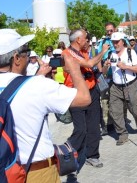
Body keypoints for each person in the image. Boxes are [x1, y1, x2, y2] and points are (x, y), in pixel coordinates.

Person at [0, 29, 91, 182]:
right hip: (35, 172)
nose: (29, 58)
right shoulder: (37, 86)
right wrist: (74, 68)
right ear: (16, 58)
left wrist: (38, 77)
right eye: (27, 52)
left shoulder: (35, 83)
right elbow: (84, 98)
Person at [63, 29, 110, 169]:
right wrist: (103, 52)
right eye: (85, 39)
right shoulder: (68, 53)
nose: (87, 41)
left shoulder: (83, 52)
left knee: (94, 126)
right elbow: (89, 64)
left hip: (92, 91)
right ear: (78, 39)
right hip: (76, 94)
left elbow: (91, 67)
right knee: (81, 130)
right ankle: (68, 154)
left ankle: (92, 156)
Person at [103, 32, 137, 145]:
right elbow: (104, 73)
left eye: (117, 42)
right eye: (113, 42)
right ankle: (122, 134)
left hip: (130, 85)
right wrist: (105, 66)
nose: (115, 44)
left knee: (135, 109)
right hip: (115, 86)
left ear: (123, 41)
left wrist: (125, 66)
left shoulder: (130, 52)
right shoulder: (110, 54)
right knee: (115, 111)